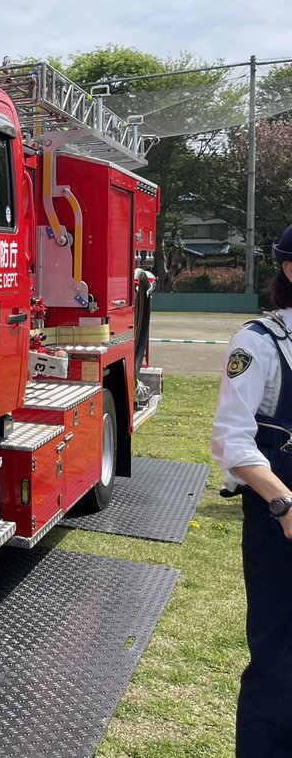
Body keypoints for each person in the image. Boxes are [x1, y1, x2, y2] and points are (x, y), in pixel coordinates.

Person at [210, 222, 292, 757]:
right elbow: (232, 441)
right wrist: (283, 503)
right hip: (278, 524)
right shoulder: (259, 342)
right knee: (279, 660)